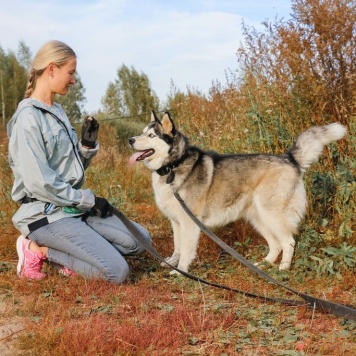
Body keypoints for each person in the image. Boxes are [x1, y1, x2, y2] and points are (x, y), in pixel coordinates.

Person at [7, 40, 150, 283]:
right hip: (45, 214)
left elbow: (70, 173)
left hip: (71, 208)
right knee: (116, 272)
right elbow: (39, 183)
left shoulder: (58, 112)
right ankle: (37, 251)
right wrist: (88, 200)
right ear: (52, 68)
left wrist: (86, 145)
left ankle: (79, 254)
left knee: (140, 240)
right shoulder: (28, 118)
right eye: (70, 73)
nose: (73, 80)